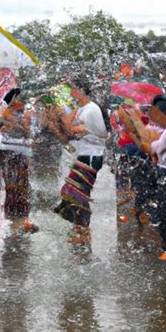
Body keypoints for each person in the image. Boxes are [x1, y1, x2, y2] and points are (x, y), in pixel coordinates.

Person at [54, 77, 108, 243]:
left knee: (78, 192)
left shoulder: (91, 109)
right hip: (86, 154)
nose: (71, 92)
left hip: (92, 156)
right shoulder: (82, 107)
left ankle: (84, 232)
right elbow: (66, 125)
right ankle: (81, 230)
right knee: (75, 191)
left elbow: (71, 129)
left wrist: (62, 109)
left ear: (80, 91)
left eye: (73, 89)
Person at [136, 95, 166, 260]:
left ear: (160, 113)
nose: (152, 117)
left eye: (154, 113)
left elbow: (157, 148)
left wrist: (150, 146)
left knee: (163, 210)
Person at [0, 88, 38, 233]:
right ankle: (17, 221)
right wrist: (20, 122)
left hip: (17, 149)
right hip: (10, 149)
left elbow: (28, 131)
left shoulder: (14, 111)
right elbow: (19, 129)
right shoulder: (3, 110)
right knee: (16, 186)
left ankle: (18, 220)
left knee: (19, 186)